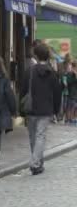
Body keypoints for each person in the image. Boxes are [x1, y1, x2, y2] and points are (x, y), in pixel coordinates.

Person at [20, 44, 62, 175]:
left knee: (33, 137)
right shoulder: (52, 73)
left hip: (31, 109)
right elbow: (57, 93)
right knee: (40, 136)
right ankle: (37, 163)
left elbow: (23, 91)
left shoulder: (29, 71)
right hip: (46, 109)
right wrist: (56, 110)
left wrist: (21, 109)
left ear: (36, 56)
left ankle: (35, 162)